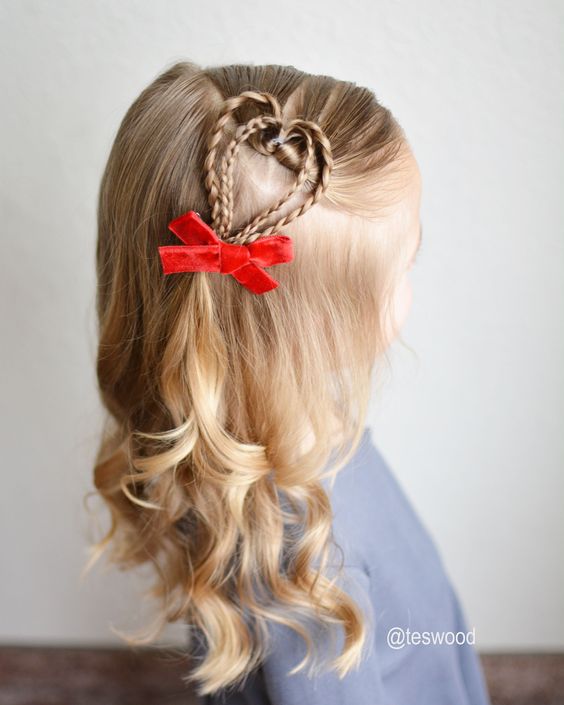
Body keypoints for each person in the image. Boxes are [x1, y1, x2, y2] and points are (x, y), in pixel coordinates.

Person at [88, 60, 491, 705]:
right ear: (317, 333)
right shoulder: (300, 567)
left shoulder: (293, 436)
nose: (412, 276)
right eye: (407, 262)